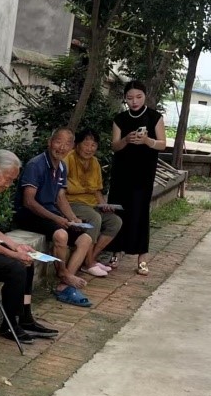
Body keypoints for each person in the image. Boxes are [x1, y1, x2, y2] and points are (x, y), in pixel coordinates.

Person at [0, 150, 60, 344]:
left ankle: (25, 316)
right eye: (7, 179)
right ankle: (9, 324)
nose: (8, 185)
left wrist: (16, 245)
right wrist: (11, 254)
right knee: (16, 268)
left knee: (28, 262)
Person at [13, 128, 94, 307]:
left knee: (85, 239)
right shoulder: (36, 165)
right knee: (61, 235)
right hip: (29, 214)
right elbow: (28, 201)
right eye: (58, 142)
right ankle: (63, 273)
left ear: (72, 147)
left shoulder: (62, 167)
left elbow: (60, 197)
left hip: (50, 214)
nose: (62, 147)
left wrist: (73, 218)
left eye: (67, 144)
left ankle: (64, 286)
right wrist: (56, 219)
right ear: (49, 142)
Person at [110, 80, 167, 275]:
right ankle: (116, 251)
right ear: (125, 99)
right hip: (121, 172)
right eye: (130, 98)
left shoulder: (154, 117)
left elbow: (162, 144)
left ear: (145, 96)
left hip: (143, 172)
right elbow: (114, 146)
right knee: (119, 210)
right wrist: (126, 140)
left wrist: (147, 141)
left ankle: (142, 257)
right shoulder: (120, 119)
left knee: (140, 212)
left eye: (138, 97)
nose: (134, 101)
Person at [66, 128, 123, 272]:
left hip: (92, 204)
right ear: (77, 144)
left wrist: (104, 205)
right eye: (86, 144)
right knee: (95, 218)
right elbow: (62, 189)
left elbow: (97, 190)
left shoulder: (95, 162)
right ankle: (89, 262)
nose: (89, 149)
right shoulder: (68, 159)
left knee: (115, 221)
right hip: (72, 203)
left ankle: (91, 258)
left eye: (93, 145)